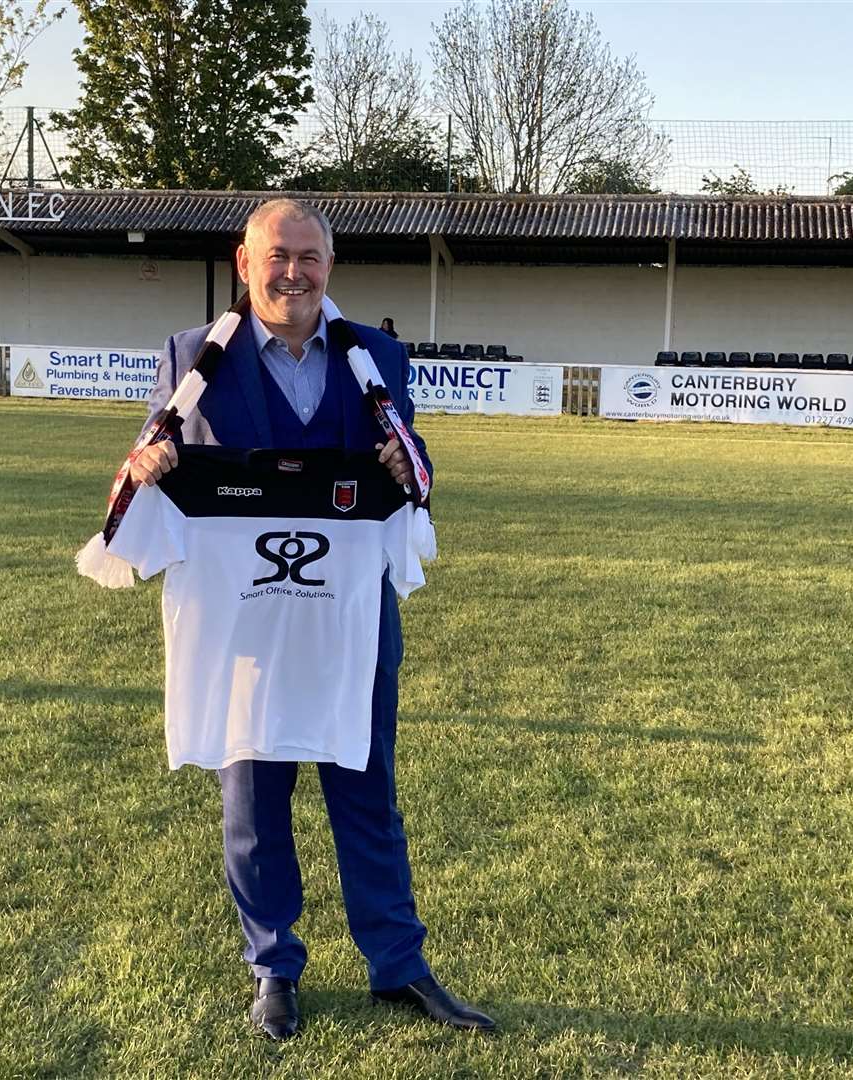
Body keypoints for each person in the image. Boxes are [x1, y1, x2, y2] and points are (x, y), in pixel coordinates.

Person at [131, 198, 494, 1041]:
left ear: (330, 265)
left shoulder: (378, 355)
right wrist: (151, 463)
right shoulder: (195, 356)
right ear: (244, 260)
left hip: (351, 618)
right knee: (254, 798)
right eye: (278, 255)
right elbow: (159, 449)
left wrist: (411, 465)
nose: (293, 272)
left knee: (367, 791)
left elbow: (416, 461)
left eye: (310, 257)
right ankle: (273, 966)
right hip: (247, 621)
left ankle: (398, 967)